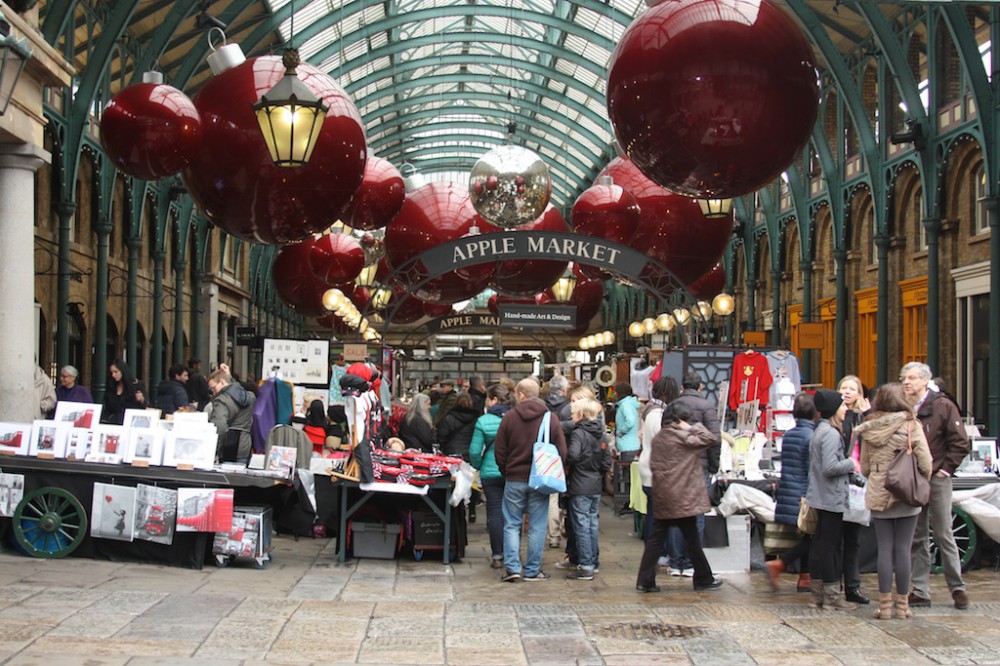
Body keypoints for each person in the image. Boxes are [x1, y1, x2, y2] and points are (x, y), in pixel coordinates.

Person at [855, 383, 933, 620]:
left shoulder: (869, 429)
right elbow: (926, 463)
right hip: (906, 492)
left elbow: (865, 468)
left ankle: (885, 606)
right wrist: (917, 480)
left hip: (880, 490)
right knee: (903, 548)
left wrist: (880, 473)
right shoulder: (911, 425)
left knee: (885, 549)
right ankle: (902, 606)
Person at [902, 361, 971, 610]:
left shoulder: (943, 406)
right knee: (917, 536)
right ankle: (920, 590)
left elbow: (960, 442)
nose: (906, 383)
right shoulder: (902, 408)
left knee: (944, 533)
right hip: (913, 479)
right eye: (904, 378)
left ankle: (957, 588)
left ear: (924, 380)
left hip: (937, 478)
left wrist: (945, 470)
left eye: (911, 378)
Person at [635, 401, 723, 593]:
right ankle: (703, 579)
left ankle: (645, 579)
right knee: (692, 539)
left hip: (663, 496)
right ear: (679, 420)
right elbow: (710, 438)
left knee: (656, 541)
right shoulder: (684, 437)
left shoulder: (659, 439)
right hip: (682, 498)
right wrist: (691, 427)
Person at [494, 378, 568, 582]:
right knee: (537, 525)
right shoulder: (550, 418)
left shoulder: (509, 417)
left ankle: (513, 568)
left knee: (511, 524)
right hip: (541, 480)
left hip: (514, 478)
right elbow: (562, 451)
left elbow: (499, 450)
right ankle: (533, 570)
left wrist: (507, 471)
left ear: (520, 394)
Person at [805, 388, 858, 610]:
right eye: (843, 406)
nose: (846, 409)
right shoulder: (831, 434)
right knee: (829, 546)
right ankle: (831, 596)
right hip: (830, 496)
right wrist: (851, 463)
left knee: (821, 544)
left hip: (821, 495)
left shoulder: (821, 430)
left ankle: (818, 593)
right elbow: (830, 467)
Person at [667, 371, 721, 576]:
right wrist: (714, 466)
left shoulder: (672, 407)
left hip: (676, 468)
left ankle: (675, 562)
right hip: (700, 468)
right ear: (700, 387)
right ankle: (690, 563)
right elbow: (715, 440)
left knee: (675, 514)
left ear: (682, 387)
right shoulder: (707, 406)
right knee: (696, 514)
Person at [766, 392, 817, 593]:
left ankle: (805, 577)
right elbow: (809, 468)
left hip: (789, 491)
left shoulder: (789, 435)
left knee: (807, 536)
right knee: (811, 536)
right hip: (802, 493)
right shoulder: (810, 436)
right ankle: (782, 565)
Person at [564, 398, 611, 581]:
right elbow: (606, 461)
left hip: (580, 483)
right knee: (592, 524)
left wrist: (570, 465)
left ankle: (585, 566)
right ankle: (593, 561)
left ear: (581, 415)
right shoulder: (601, 433)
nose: (572, 417)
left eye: (574, 413)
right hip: (595, 485)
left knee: (581, 525)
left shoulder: (578, 433)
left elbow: (573, 455)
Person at [835, 374, 872, 605]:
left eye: (852, 388)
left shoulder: (862, 418)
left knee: (853, 539)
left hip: (859, 480)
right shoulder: (834, 417)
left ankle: (853, 586)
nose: (847, 392)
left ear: (859, 393)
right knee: (834, 537)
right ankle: (833, 583)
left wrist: (868, 416)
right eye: (844, 388)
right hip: (839, 479)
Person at [469, 383, 514, 569]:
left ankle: (497, 556)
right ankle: (513, 555)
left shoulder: (483, 421)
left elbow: (474, 451)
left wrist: (478, 466)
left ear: (494, 399)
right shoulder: (516, 418)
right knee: (512, 514)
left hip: (490, 471)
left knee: (495, 513)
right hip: (513, 471)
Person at [637, 376, 679, 565]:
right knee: (657, 516)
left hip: (649, 467)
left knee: (654, 513)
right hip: (656, 470)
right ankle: (658, 553)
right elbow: (663, 441)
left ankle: (655, 553)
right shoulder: (657, 414)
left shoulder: (650, 411)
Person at [543, 374, 571, 549]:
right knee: (565, 493)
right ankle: (563, 527)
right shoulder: (569, 407)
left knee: (551, 497)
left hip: (545, 455)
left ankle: (553, 536)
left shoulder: (542, 405)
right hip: (565, 453)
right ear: (564, 389)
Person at [206, 368, 256, 463]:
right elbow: (236, 390)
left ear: (222, 382)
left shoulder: (221, 401)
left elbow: (219, 427)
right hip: (245, 445)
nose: (213, 392)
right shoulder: (250, 397)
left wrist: (214, 451)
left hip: (229, 448)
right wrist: (231, 379)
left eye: (213, 388)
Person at [436, 392, 480, 459]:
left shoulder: (449, 417)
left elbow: (441, 436)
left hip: (451, 451)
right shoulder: (476, 419)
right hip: (469, 452)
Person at [101, 359, 145, 425]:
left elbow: (143, 406)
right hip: (113, 422)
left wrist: (142, 400)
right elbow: (107, 408)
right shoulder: (111, 387)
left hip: (129, 422)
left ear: (122, 371)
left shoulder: (135, 386)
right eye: (112, 373)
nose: (113, 375)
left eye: (116, 372)